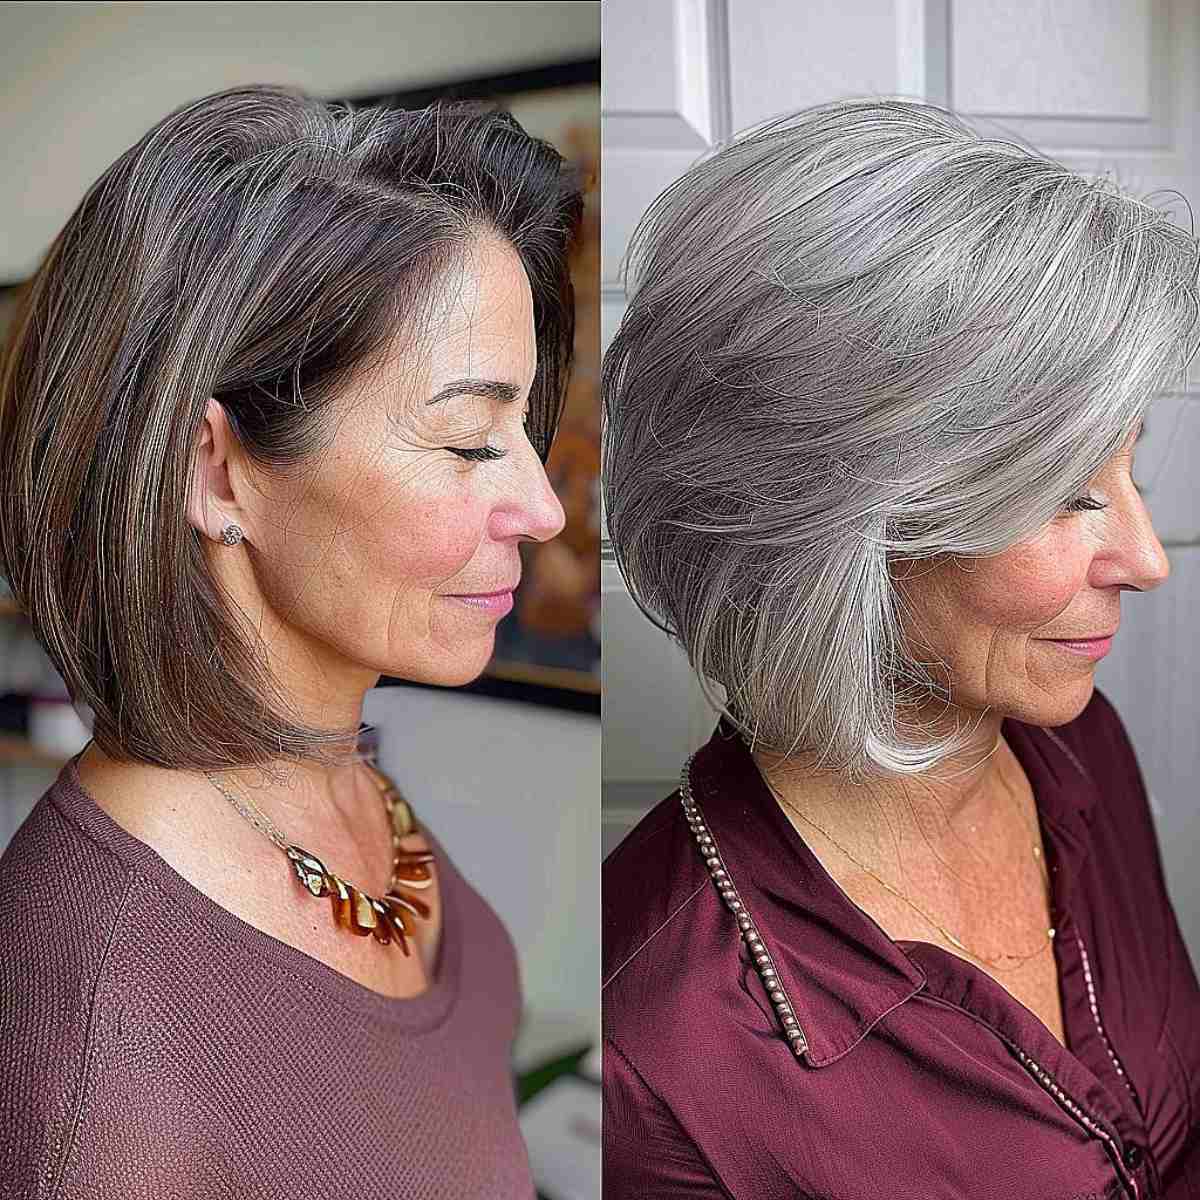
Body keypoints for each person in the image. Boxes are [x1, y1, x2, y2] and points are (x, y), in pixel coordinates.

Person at [601, 98, 1200, 1198]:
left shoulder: (1077, 745)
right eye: (1066, 493)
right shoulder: (658, 1051)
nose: (1147, 558)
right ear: (833, 529)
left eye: (1128, 469)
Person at [0, 83, 581, 1198]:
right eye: (469, 440)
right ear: (216, 472)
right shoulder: (95, 1047)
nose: (543, 509)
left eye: (522, 428)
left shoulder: (338, 779)